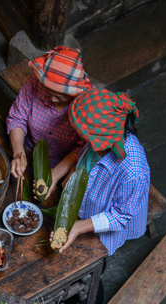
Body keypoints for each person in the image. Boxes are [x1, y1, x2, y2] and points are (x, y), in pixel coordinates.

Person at [54, 88, 151, 256]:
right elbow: (85, 160)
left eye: (84, 134)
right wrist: (72, 172)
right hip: (87, 202)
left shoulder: (135, 173)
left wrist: (79, 227)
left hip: (107, 222)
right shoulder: (102, 140)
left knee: (93, 257)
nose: (81, 136)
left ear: (101, 137)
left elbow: (121, 215)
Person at [6, 46, 93, 197]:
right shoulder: (35, 82)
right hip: (29, 150)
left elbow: (83, 147)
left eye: (60, 97)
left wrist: (56, 174)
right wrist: (18, 152)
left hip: (63, 164)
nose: (52, 99)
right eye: (49, 92)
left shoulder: (86, 103)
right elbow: (17, 118)